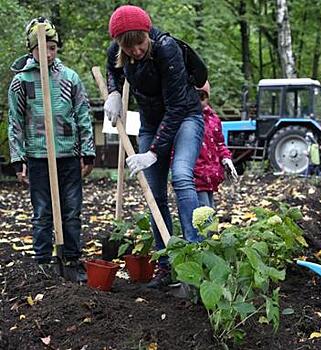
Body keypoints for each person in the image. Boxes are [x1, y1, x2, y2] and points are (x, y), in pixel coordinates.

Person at [104, 5, 204, 288]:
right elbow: (114, 70)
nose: (136, 50)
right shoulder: (118, 51)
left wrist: (153, 152)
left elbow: (175, 108)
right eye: (128, 46)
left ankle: (195, 254)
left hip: (185, 116)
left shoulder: (166, 49)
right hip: (150, 122)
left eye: (140, 42)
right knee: (154, 192)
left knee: (182, 175)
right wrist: (113, 92)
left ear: (147, 34)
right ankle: (165, 264)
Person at [8, 17, 96, 281]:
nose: (47, 53)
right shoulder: (21, 82)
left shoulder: (70, 78)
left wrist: (87, 151)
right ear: (31, 49)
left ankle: (71, 258)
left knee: (71, 209)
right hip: (38, 157)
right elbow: (15, 121)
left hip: (68, 155)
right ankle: (44, 262)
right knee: (42, 211)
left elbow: (83, 114)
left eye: (52, 48)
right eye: (41, 48)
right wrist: (18, 158)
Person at [193, 81, 238, 208]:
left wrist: (226, 158)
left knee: (210, 211)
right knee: (204, 215)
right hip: (195, 178)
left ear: (207, 98)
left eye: (202, 97)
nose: (199, 101)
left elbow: (219, 143)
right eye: (195, 96)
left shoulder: (213, 119)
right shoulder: (186, 120)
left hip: (211, 177)